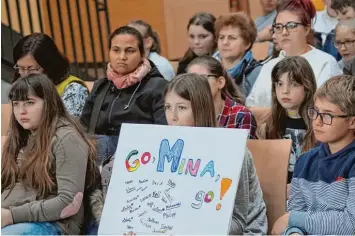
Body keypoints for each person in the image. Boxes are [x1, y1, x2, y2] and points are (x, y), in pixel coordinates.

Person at [164, 74, 267, 234]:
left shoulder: (229, 149)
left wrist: (191, 228)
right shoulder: (163, 149)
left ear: (200, 109)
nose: (173, 117)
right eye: (168, 107)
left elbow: (239, 221)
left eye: (182, 107)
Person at [1, 74, 98, 235]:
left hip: (55, 225)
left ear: (49, 102)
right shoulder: (20, 135)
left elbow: (68, 202)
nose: (21, 111)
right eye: (16, 104)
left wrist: (11, 215)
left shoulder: (67, 138)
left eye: (29, 103)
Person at [272, 75, 355, 235]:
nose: (317, 121)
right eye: (315, 112)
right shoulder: (305, 161)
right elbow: (296, 212)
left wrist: (291, 219)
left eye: (327, 115)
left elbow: (350, 224)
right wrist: (294, 232)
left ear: (352, 122)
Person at [80, 26, 167, 164]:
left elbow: (164, 134)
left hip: (139, 157)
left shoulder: (157, 86)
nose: (122, 57)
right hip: (98, 158)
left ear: (142, 54)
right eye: (116, 50)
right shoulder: (102, 86)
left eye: (130, 51)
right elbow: (83, 127)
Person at [246, 0, 343, 107]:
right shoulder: (269, 66)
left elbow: (327, 108)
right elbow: (251, 106)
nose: (284, 32)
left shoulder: (325, 63)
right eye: (278, 27)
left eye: (291, 26)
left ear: (306, 29)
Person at [258, 57, 317, 184]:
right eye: (279, 84)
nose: (285, 91)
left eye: (294, 84)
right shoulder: (268, 125)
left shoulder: (319, 124)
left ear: (307, 87)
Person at [13, 33, 88, 117]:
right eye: (21, 68)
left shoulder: (73, 89)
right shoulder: (20, 88)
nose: (25, 75)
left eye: (31, 69)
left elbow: (69, 127)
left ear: (48, 65)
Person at [187, 55, 257, 139]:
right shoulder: (188, 112)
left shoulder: (241, 115)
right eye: (190, 80)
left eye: (202, 78)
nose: (194, 85)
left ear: (220, 82)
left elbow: (243, 151)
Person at [213, 13, 262, 97]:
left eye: (232, 38)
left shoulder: (257, 73)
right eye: (221, 37)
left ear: (247, 44)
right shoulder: (207, 67)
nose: (225, 42)